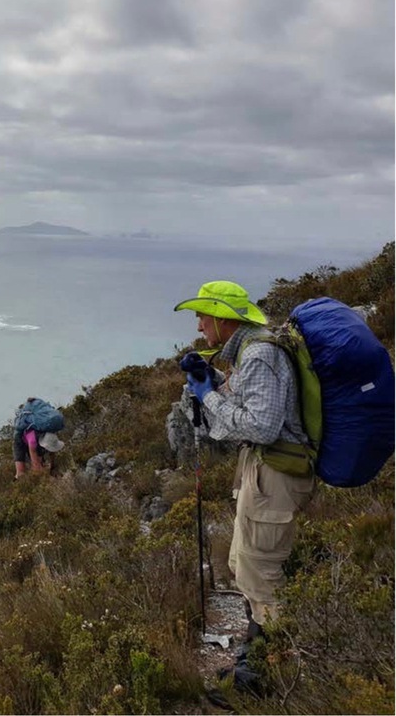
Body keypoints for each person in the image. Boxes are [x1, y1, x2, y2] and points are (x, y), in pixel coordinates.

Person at [174, 280, 316, 695]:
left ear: (223, 318)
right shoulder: (251, 351)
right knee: (247, 565)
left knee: (262, 577)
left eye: (203, 316)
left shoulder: (260, 354)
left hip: (275, 477)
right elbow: (253, 405)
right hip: (264, 470)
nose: (199, 325)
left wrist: (208, 397)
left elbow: (261, 425)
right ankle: (252, 662)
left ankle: (265, 682)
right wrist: (214, 380)